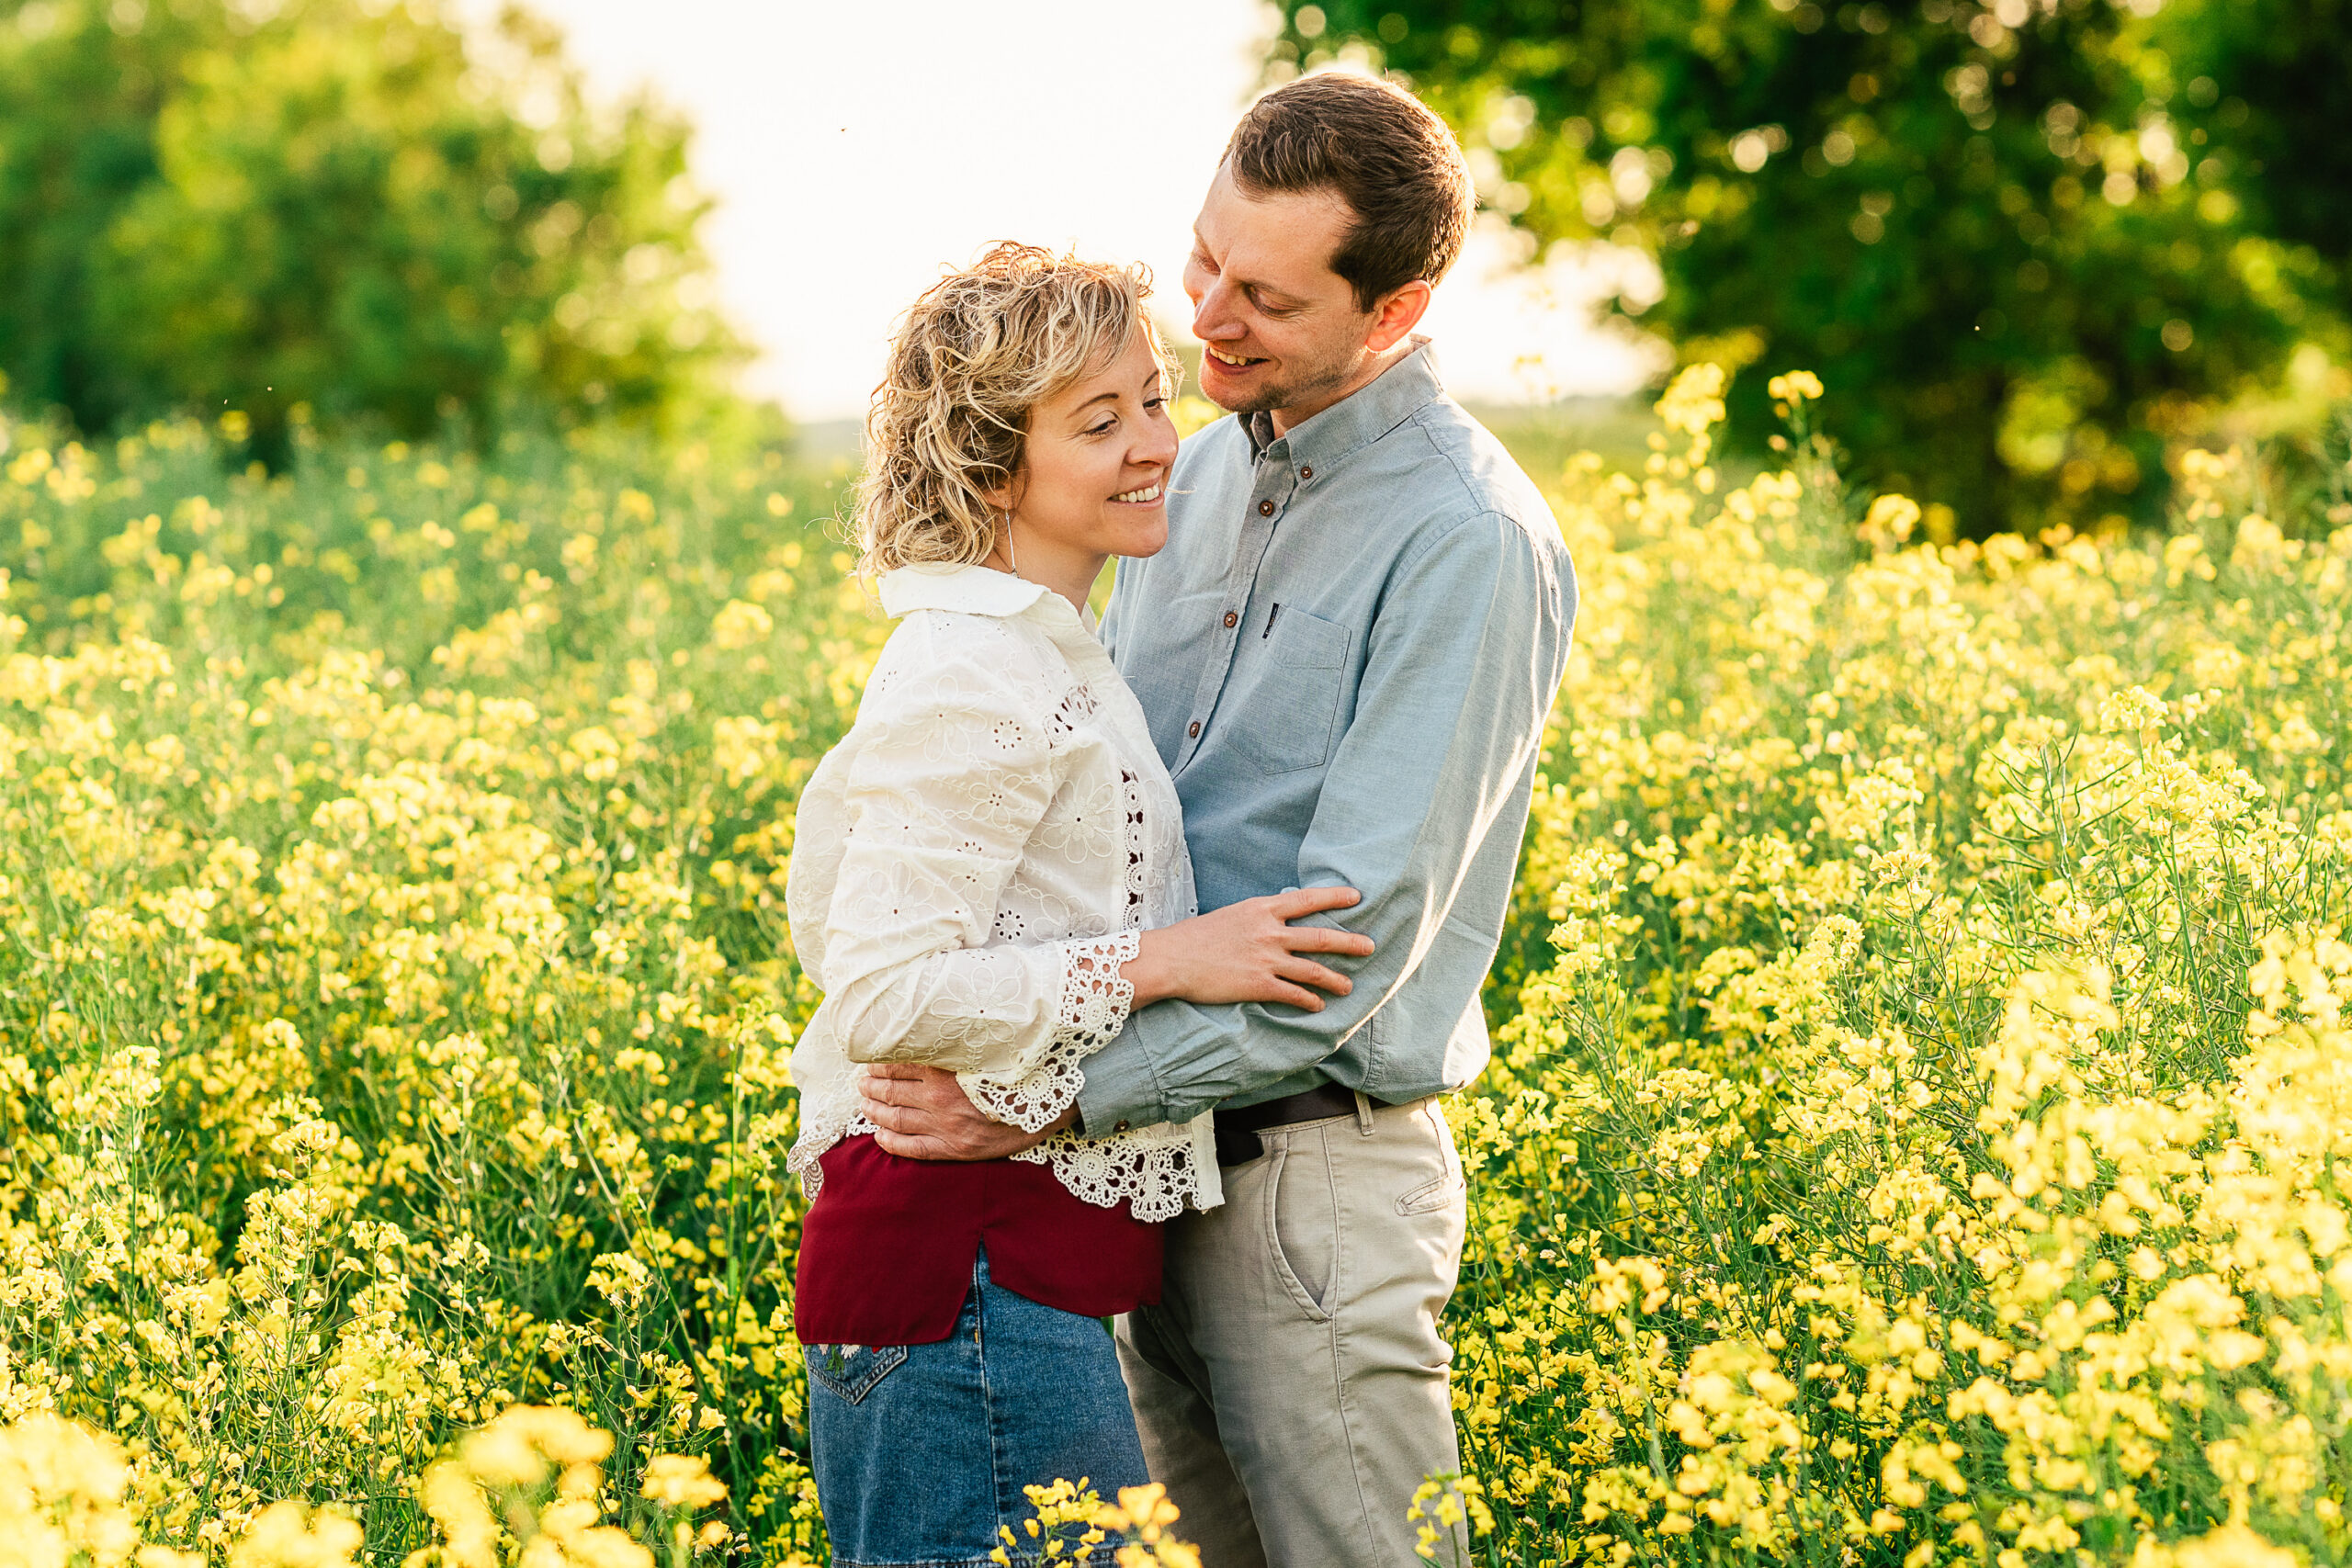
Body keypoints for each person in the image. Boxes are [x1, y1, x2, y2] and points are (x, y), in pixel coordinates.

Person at [856, 78, 1579, 1565]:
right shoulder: (1180, 481)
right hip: (1143, 1167)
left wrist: (1053, 1098)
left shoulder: (1465, 537)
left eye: (1265, 292)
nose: (1210, 317)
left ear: (1397, 306)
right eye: (1204, 262)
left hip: (1307, 1182)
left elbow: (1348, 950)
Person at [786, 242, 1376, 1567]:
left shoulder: (1047, 649)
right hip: (963, 1284)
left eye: (1154, 401)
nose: (1155, 444)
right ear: (996, 466)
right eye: (1098, 421)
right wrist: (1168, 961)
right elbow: (881, 990)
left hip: (1006, 1285)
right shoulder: (977, 669)